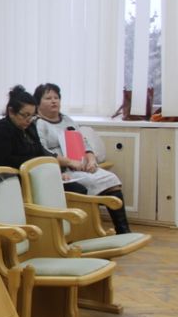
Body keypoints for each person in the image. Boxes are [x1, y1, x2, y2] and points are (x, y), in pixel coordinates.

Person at [34, 82, 133, 233]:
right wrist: (69, 161)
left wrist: (91, 160)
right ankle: (91, 230)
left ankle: (123, 230)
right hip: (61, 170)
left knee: (112, 180)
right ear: (38, 103)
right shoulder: (38, 124)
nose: (54, 101)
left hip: (81, 165)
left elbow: (84, 143)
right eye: (48, 98)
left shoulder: (67, 120)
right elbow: (43, 152)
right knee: (94, 182)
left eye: (56, 97)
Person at [0, 85, 88, 195]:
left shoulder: (29, 127)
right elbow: (6, 161)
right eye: (25, 115)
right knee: (74, 190)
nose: (29, 120)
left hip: (34, 174)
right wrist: (43, 169)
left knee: (78, 188)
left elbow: (40, 151)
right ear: (11, 112)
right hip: (12, 179)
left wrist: (55, 172)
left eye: (32, 116)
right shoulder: (2, 129)